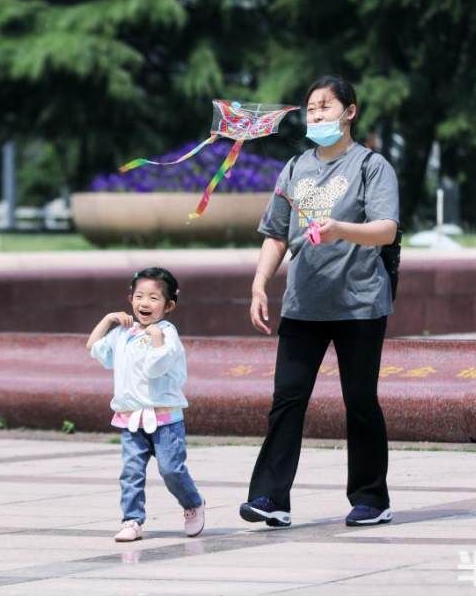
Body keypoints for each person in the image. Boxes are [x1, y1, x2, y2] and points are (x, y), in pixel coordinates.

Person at [240, 75, 399, 528]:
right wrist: (259, 283)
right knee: (287, 400)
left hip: (359, 304)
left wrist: (342, 229)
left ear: (350, 111)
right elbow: (275, 233)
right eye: (311, 109)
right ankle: (271, 498)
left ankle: (371, 498)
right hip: (303, 304)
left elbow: (386, 228)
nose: (317, 115)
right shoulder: (294, 169)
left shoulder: (371, 166)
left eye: (326, 107)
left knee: (360, 401)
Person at [87, 267, 205, 542]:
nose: (145, 303)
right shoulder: (122, 334)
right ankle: (132, 519)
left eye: (154, 298)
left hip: (164, 418)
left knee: (171, 469)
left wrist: (155, 338)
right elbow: (94, 348)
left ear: (169, 305)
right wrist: (107, 321)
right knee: (131, 471)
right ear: (130, 300)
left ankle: (193, 503)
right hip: (130, 417)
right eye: (139, 296)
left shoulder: (167, 333)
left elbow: (156, 368)